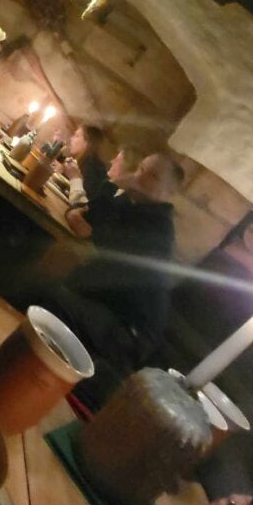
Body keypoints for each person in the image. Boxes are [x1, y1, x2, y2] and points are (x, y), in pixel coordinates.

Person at [38, 152, 184, 409]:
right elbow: (84, 216)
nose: (140, 176)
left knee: (47, 294)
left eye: (152, 175)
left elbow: (89, 234)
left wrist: (81, 221)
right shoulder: (131, 204)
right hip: (104, 303)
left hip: (129, 329)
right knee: (41, 275)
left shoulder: (157, 229)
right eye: (141, 168)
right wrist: (113, 185)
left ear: (169, 192)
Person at [61, 123, 108, 207]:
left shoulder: (92, 166)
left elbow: (83, 198)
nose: (72, 138)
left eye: (76, 136)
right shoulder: (84, 161)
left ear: (87, 142)